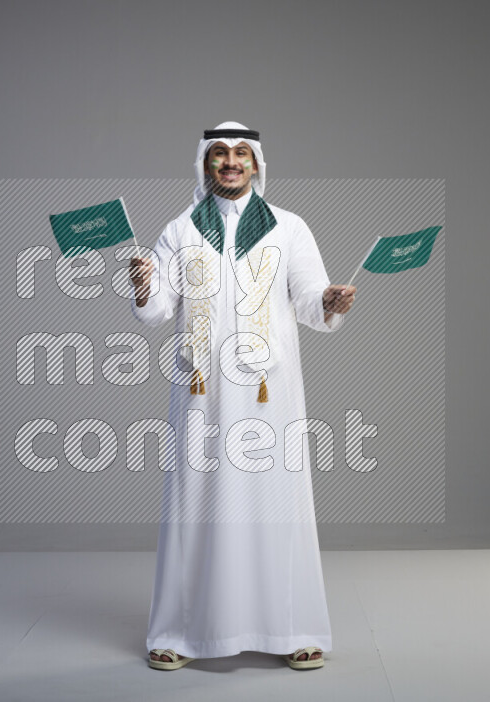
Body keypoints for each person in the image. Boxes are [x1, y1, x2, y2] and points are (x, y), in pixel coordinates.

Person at [129, 121, 356, 671]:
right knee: (195, 504)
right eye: (219, 154)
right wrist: (142, 284)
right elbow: (157, 311)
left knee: (277, 501)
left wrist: (329, 300)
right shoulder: (181, 229)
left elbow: (309, 298)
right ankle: (181, 633)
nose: (230, 162)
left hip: (267, 395)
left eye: (240, 153)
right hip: (201, 393)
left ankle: (294, 629)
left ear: (256, 163)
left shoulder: (287, 227)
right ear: (205, 163)